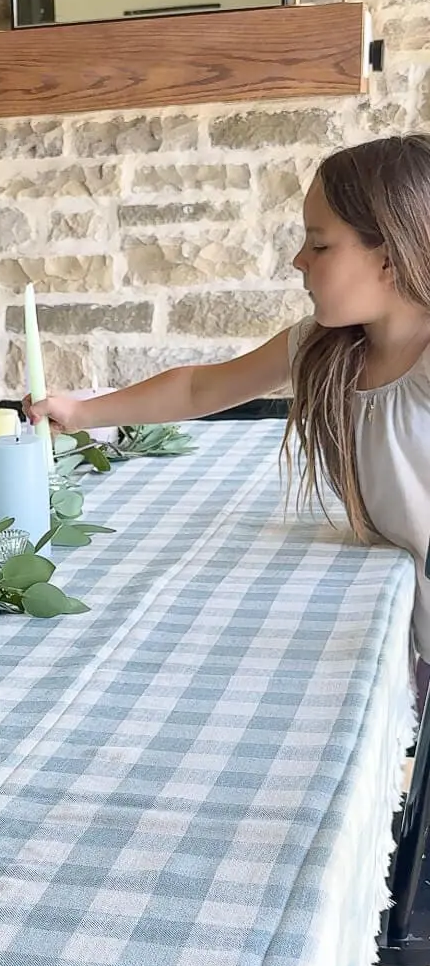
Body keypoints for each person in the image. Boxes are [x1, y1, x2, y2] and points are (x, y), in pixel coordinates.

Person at [26, 135, 430, 670]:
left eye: (320, 244)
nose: (297, 259)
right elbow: (200, 388)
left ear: (390, 257)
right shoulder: (321, 347)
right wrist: (81, 413)